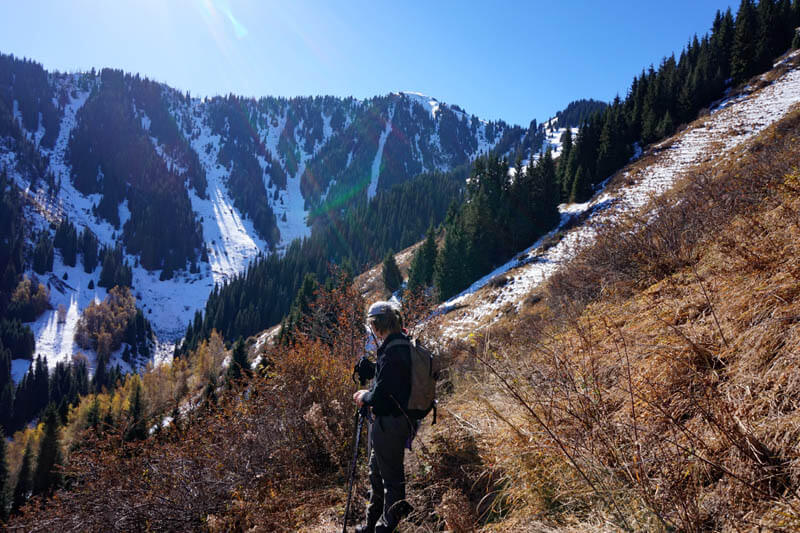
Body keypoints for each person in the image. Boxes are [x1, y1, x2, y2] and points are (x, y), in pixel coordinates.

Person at [352, 300, 414, 533]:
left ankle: (387, 527)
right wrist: (374, 369)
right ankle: (372, 524)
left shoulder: (393, 350)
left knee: (390, 478)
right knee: (377, 473)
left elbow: (382, 395)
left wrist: (364, 395)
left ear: (377, 325)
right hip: (394, 421)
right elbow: (391, 381)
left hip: (390, 422)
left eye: (372, 325)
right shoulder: (400, 345)